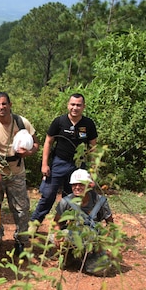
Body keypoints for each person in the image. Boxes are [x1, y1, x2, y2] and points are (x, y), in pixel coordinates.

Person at [0, 92, 39, 256]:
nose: (1, 107)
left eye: (4, 104)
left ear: (10, 104)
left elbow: (36, 144)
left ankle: (21, 241)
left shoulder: (22, 122)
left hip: (16, 172)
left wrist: (28, 152)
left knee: (21, 209)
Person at [31, 93, 98, 225]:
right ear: (68, 105)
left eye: (78, 105)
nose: (75, 108)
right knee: (48, 195)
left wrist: (93, 170)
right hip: (59, 163)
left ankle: (64, 227)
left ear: (83, 107)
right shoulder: (59, 121)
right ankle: (33, 225)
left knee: (72, 197)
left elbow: (93, 148)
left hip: (78, 166)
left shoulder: (88, 124)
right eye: (72, 104)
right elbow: (48, 142)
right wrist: (44, 164)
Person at [52, 169, 114, 274]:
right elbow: (56, 223)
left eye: (81, 184)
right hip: (73, 237)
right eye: (74, 184)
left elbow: (111, 224)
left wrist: (105, 242)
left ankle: (91, 258)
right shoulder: (65, 202)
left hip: (93, 240)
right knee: (55, 237)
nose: (77, 187)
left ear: (89, 185)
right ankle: (69, 256)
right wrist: (57, 234)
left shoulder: (100, 201)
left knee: (99, 270)